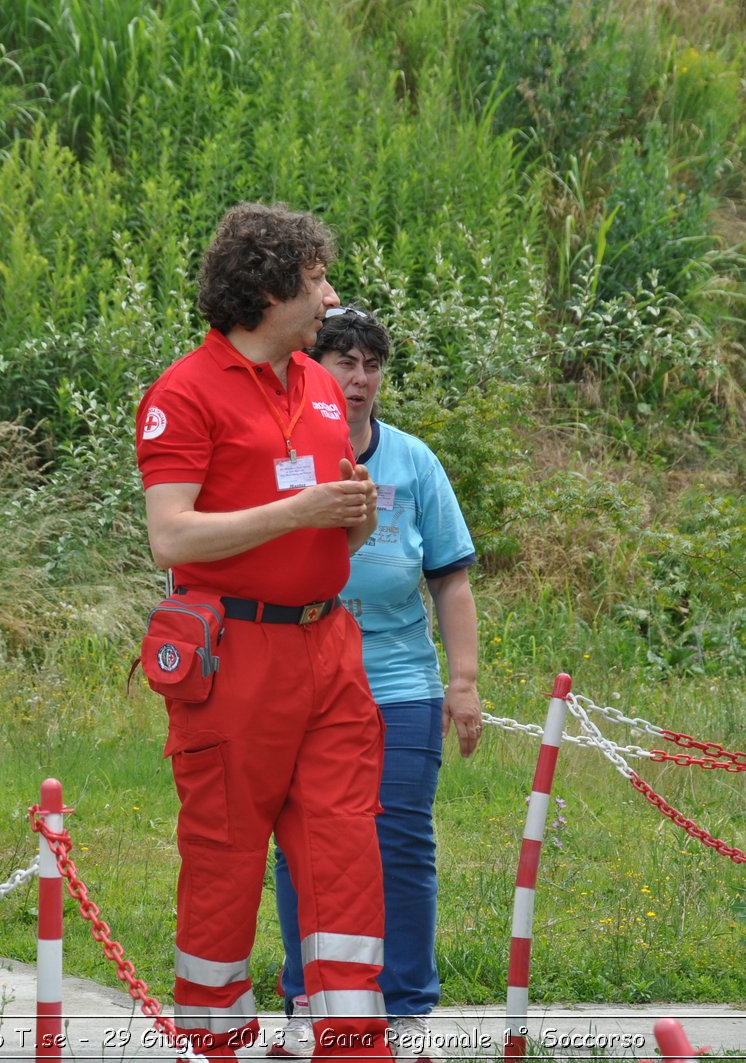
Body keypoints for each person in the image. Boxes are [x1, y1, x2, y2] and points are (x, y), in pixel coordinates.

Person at [134, 203, 393, 1062]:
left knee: (346, 854)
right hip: (234, 656)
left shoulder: (318, 383)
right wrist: (301, 511)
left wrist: (346, 521)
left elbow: (328, 520)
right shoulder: (183, 393)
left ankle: (350, 1046)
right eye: (316, 277)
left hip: (329, 648)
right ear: (272, 286)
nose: (329, 294)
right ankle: (218, 1046)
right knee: (225, 860)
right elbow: (172, 536)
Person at [269, 306, 481, 1063]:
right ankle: (307, 1002)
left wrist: (463, 683)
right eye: (342, 361)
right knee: (303, 847)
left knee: (397, 844)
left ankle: (407, 1006)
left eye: (371, 365)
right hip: (298, 682)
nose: (357, 380)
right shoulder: (284, 452)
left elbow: (450, 580)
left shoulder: (415, 463)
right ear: (311, 367)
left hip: (397, 683)